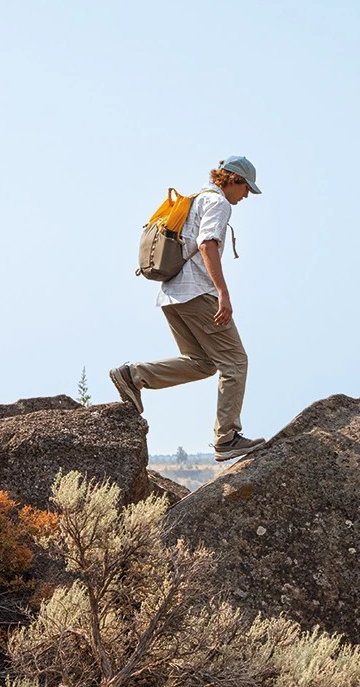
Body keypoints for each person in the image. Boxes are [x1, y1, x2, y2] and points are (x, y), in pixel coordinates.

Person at [110, 156, 264, 462]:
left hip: (171, 294)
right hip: (197, 292)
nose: (245, 196)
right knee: (235, 362)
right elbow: (207, 243)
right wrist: (222, 292)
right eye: (246, 188)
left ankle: (133, 375)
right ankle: (227, 437)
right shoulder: (219, 204)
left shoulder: (193, 200)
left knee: (203, 362)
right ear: (233, 180)